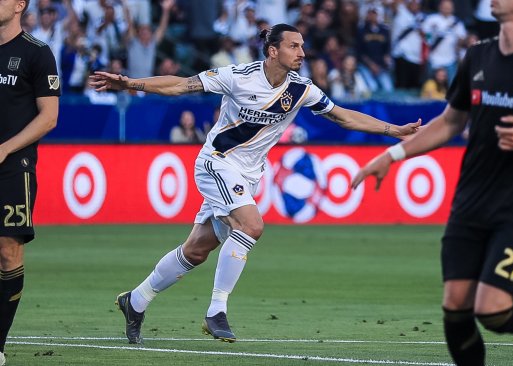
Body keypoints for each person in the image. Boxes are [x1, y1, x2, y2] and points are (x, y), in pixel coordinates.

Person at [90, 23, 421, 345]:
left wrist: (394, 130)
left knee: (197, 249)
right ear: (273, 50)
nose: (302, 53)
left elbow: (344, 116)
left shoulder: (301, 89)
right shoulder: (237, 76)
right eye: (294, 46)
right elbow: (181, 85)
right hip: (216, 163)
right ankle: (216, 311)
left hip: (246, 176)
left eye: (303, 46)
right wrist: (129, 82)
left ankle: (136, 300)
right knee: (251, 225)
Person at [351, 0, 513, 364]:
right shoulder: (478, 55)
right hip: (469, 201)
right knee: (456, 307)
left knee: (493, 310)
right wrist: (391, 155)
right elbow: (450, 121)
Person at [0, 0, 60, 364]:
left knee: (8, 251)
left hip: (13, 165)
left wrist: (4, 148)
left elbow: (49, 116)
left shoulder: (36, 53)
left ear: (19, 5)